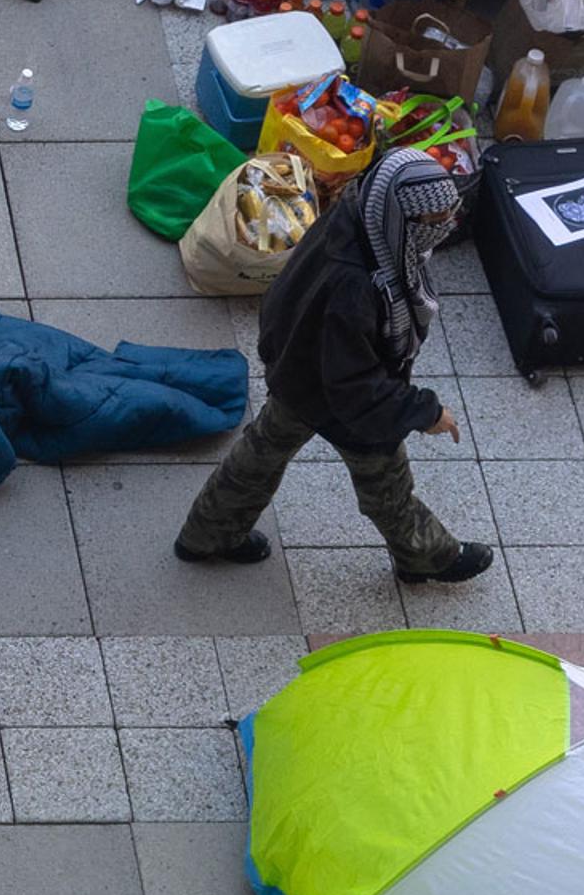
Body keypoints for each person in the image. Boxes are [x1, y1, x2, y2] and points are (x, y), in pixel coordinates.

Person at [172, 148, 494, 584]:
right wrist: (425, 411)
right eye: (434, 222)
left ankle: (206, 535)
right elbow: (355, 384)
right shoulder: (356, 284)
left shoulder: (355, 217)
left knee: (261, 454)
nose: (445, 227)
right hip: (339, 395)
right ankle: (426, 556)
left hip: (297, 372)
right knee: (386, 481)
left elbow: (287, 293)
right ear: (402, 217)